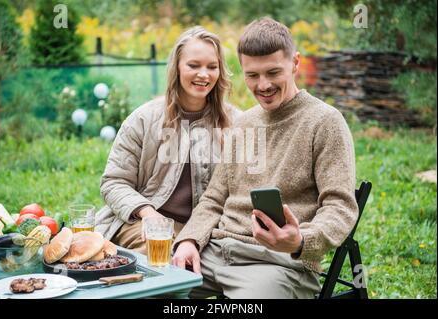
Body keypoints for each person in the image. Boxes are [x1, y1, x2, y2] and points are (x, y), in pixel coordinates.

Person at [172, 17, 359, 299]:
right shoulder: (243, 124)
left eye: (273, 72)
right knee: (147, 290)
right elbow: (213, 199)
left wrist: (301, 241)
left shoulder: (325, 122)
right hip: (215, 254)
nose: (263, 85)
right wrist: (188, 240)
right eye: (252, 75)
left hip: (278, 264)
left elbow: (340, 207)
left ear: (295, 63)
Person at [94, 26, 241, 254]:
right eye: (194, 65)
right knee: (158, 248)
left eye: (212, 67)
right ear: (177, 68)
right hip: (142, 222)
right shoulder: (144, 118)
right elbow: (113, 182)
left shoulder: (236, 122)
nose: (204, 74)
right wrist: (147, 212)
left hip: (205, 228)